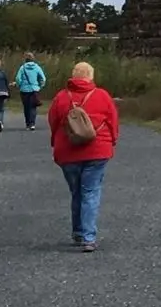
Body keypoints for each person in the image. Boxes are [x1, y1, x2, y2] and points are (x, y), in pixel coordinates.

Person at [46, 61, 120, 253]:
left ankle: (78, 232)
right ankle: (88, 237)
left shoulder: (61, 98)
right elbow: (113, 122)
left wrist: (56, 142)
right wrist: (112, 141)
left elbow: (53, 122)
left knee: (76, 192)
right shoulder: (102, 96)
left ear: (73, 76)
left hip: (67, 153)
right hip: (97, 151)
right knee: (90, 192)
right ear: (90, 76)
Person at [14, 53, 47, 130]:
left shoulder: (22, 68)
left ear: (25, 60)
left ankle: (28, 123)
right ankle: (32, 124)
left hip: (24, 90)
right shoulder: (37, 67)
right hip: (34, 89)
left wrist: (19, 85)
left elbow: (18, 79)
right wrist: (40, 86)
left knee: (26, 107)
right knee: (33, 107)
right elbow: (43, 78)